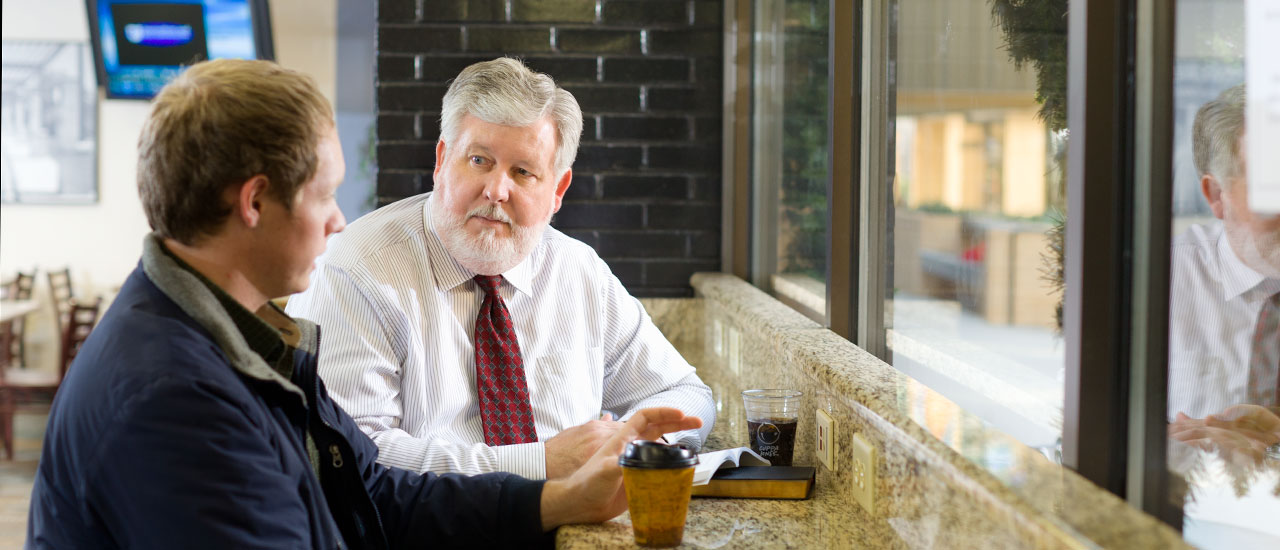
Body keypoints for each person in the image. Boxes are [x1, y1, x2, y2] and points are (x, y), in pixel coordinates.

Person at [26, 59, 701, 548]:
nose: (340, 222)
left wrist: (557, 499)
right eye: (325, 194)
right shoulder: (171, 398)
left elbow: (374, 491)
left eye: (523, 171)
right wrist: (545, 470)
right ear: (256, 203)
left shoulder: (246, 340)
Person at [284, 57, 716, 480]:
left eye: (523, 172)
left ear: (557, 190)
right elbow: (347, 455)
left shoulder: (578, 270)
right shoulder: (355, 270)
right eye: (479, 160)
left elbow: (686, 396)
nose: (496, 190)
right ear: (441, 161)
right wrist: (541, 463)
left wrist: (632, 445)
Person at [1167, 84, 1280, 462]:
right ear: (1217, 195)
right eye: (1272, 184)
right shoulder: (1158, 285)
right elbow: (1079, 431)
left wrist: (1276, 444)